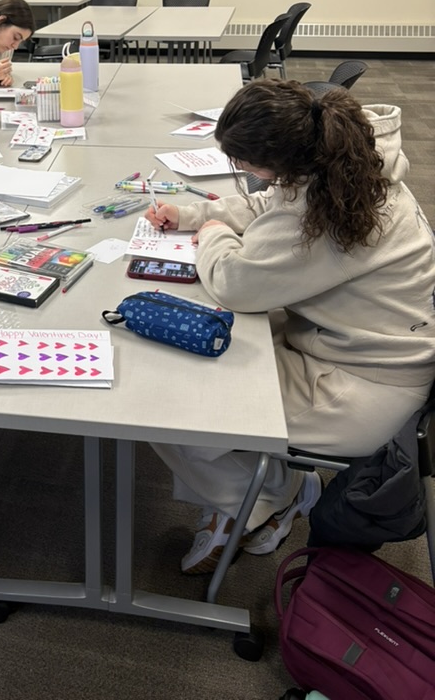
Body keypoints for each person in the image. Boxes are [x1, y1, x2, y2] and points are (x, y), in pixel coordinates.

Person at [145, 80, 435, 574]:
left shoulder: (337, 212)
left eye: (248, 165)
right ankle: (267, 488)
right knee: (193, 363)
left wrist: (212, 235)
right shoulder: (346, 165)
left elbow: (235, 284)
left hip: (359, 389)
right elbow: (271, 205)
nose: (245, 174)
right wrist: (196, 213)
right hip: (347, 346)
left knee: (164, 399)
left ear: (282, 161)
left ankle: (260, 500)